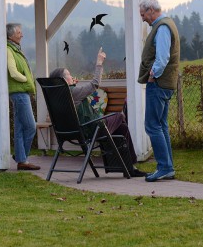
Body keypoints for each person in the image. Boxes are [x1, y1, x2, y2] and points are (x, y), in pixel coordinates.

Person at [49, 47, 147, 177]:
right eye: (69, 75)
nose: (72, 76)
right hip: (91, 130)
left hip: (69, 132)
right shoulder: (74, 92)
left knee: (122, 128)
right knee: (119, 116)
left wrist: (73, 86)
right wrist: (99, 63)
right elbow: (95, 84)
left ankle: (128, 167)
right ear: (62, 80)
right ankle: (129, 165)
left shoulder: (57, 96)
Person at [138, 0, 180, 182]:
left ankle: (164, 167)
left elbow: (162, 58)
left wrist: (153, 75)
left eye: (143, 14)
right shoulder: (167, 24)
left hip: (159, 83)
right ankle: (167, 167)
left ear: (151, 10)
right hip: (166, 84)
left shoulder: (162, 28)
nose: (142, 18)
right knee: (161, 125)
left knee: (152, 126)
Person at [7, 23, 40, 171]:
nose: (22, 35)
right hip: (19, 93)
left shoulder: (14, 49)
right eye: (19, 32)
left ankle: (21, 160)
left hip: (21, 92)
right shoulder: (9, 50)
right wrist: (27, 79)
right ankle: (22, 158)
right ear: (11, 35)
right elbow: (13, 73)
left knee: (20, 128)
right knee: (31, 127)